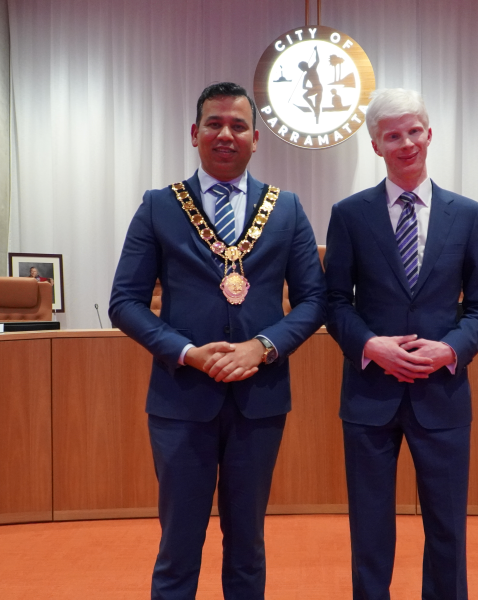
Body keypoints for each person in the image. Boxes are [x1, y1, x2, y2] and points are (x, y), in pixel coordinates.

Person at [109, 82, 325, 599]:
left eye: (237, 125)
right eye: (214, 124)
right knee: (179, 546)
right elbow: (125, 302)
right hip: (182, 398)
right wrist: (185, 352)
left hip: (259, 399)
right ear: (194, 133)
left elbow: (316, 300)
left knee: (247, 545)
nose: (225, 134)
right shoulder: (159, 207)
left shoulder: (288, 209)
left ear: (256, 138)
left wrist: (263, 346)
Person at [324, 88, 478, 599]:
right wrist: (371, 345)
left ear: (429, 134)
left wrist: (451, 350)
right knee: (370, 531)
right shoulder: (349, 214)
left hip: (442, 395)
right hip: (369, 396)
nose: (406, 143)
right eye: (392, 135)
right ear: (375, 146)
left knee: (447, 529)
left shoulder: (467, 215)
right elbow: (334, 302)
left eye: (413, 131)